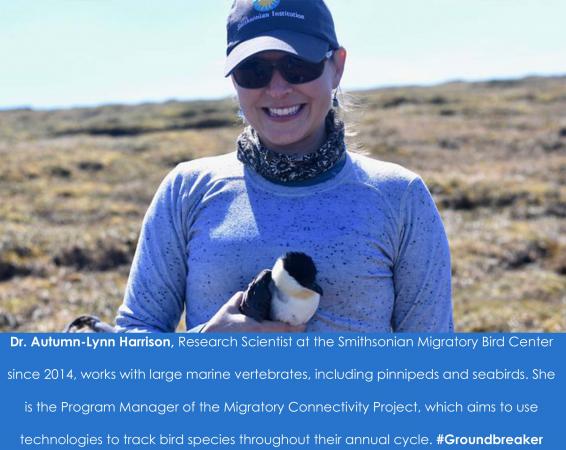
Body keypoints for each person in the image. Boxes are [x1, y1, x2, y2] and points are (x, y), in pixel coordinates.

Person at [116, 0, 453, 333]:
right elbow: (130, 346)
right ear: (234, 79)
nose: (277, 89)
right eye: (254, 72)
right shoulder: (187, 190)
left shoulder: (400, 197)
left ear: (337, 67)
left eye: (298, 66)